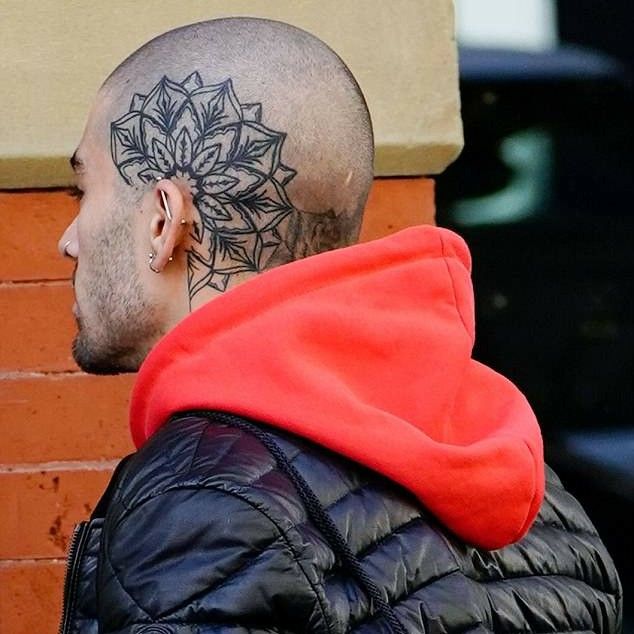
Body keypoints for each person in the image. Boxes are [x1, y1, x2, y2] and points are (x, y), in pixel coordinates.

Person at [56, 17, 622, 634]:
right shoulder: (536, 488)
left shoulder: (202, 504)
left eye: (82, 191)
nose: (68, 240)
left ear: (164, 221)